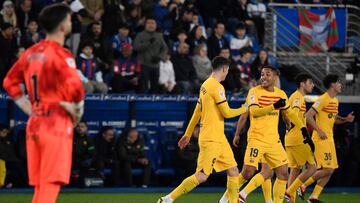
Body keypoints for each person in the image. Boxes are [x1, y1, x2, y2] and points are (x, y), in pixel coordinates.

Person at [3, 4, 84, 203]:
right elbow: (76, 89)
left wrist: (28, 108)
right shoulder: (61, 55)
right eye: (68, 19)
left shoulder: (31, 52)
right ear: (63, 26)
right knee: (50, 184)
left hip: (35, 122)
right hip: (55, 122)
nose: (70, 21)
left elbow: (9, 82)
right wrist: (77, 111)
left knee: (42, 185)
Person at [157, 56, 248, 203]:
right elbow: (227, 113)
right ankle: (168, 199)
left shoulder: (205, 85)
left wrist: (187, 134)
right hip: (211, 139)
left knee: (233, 171)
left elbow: (196, 112)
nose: (227, 74)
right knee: (202, 176)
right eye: (227, 71)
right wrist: (244, 108)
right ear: (224, 69)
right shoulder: (217, 87)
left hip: (219, 138)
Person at [222, 65, 311, 203]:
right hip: (256, 139)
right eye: (262, 74)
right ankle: (225, 199)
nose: (263, 77)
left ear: (275, 77)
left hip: (273, 141)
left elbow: (291, 113)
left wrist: (303, 129)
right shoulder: (254, 92)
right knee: (247, 173)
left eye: (267, 74)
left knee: (282, 174)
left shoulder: (281, 94)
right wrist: (238, 134)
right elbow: (254, 112)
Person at [304, 74, 355, 203]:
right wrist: (319, 130)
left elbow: (334, 119)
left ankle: (313, 197)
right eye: (339, 83)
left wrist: (346, 120)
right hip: (321, 139)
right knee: (327, 169)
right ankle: (302, 186)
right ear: (333, 84)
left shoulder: (335, 100)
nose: (341, 85)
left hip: (329, 139)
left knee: (330, 170)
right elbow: (308, 116)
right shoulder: (323, 99)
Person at [281, 74, 317, 202]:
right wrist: (302, 130)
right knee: (313, 168)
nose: (312, 85)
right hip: (298, 138)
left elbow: (286, 115)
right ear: (302, 84)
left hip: (290, 139)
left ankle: (290, 199)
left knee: (295, 170)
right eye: (310, 82)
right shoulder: (298, 98)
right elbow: (293, 116)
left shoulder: (295, 97)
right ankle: (289, 192)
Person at [134, 17, 168, 93]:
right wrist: (148, 43)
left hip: (155, 65)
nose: (151, 25)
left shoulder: (159, 36)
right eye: (148, 23)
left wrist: (159, 57)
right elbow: (136, 47)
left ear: (156, 25)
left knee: (155, 87)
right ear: (145, 25)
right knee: (144, 87)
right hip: (143, 64)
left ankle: (153, 104)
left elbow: (165, 48)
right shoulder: (140, 35)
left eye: (152, 23)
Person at [72, 121, 95, 187]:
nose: (80, 128)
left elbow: (91, 151)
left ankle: (82, 185)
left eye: (82, 127)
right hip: (72, 159)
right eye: (78, 126)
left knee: (86, 164)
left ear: (86, 128)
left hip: (83, 160)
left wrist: (87, 158)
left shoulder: (89, 139)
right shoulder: (71, 138)